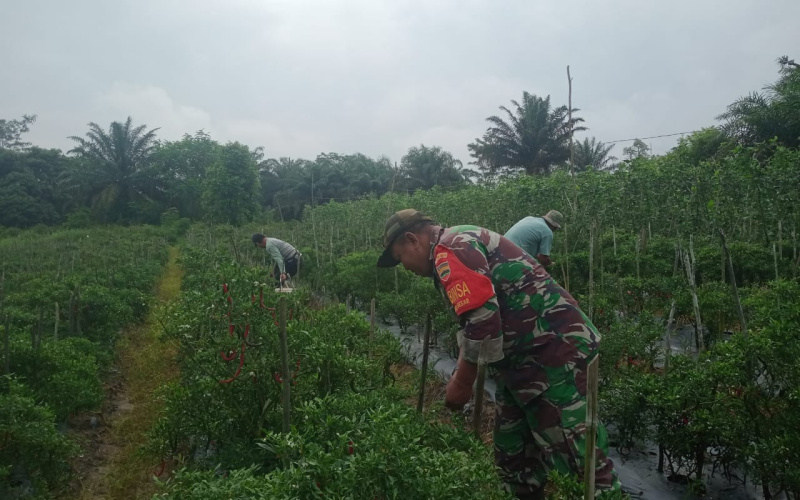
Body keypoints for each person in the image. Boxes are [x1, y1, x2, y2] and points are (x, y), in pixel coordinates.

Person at [376, 209, 620, 499]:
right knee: (514, 455)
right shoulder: (455, 243)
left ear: (412, 239)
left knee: (577, 458)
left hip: (553, 355)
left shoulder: (449, 249)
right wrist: (460, 372)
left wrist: (463, 384)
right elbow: (473, 321)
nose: (404, 267)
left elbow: (482, 319)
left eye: (400, 257)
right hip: (521, 362)